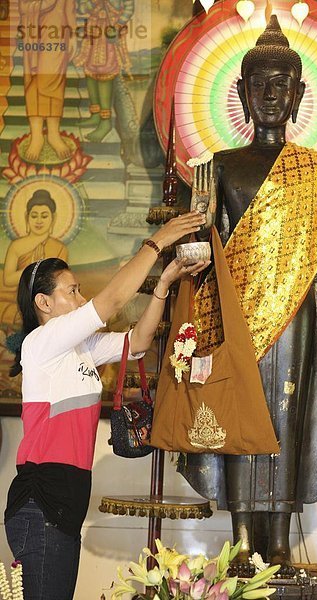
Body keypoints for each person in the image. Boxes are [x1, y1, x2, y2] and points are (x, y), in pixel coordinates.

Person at [178, 15, 317, 571]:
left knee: (287, 414)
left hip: (298, 317)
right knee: (242, 413)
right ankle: (240, 538)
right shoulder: (219, 167)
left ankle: (281, 541)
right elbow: (201, 252)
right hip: (235, 316)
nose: (269, 94)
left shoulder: (315, 175)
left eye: (280, 84)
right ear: (240, 92)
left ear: (298, 94)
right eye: (259, 83)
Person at [4, 210, 208, 600]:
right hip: (41, 501)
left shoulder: (79, 348)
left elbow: (139, 343)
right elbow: (112, 299)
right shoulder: (42, 343)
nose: (81, 298)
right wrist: (158, 241)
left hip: (64, 504)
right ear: (43, 302)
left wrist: (163, 284)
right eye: (73, 291)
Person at [19, 0, 77, 161]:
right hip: (32, 27)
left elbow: (69, 5)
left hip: (57, 27)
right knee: (33, 78)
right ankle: (36, 134)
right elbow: (22, 5)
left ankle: (53, 133)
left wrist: (73, 33)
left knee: (53, 77)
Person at [0, 189, 68, 326]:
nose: (38, 221)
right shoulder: (16, 246)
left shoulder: (59, 248)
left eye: (44, 216)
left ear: (52, 218)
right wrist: (32, 266)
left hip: (48, 302)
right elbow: (8, 280)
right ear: (27, 217)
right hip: (18, 298)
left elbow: (60, 283)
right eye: (34, 215)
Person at [75, 0, 134, 143]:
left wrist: (118, 24)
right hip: (92, 33)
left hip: (110, 34)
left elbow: (129, 7)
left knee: (104, 73)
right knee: (90, 72)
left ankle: (105, 121)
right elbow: (81, 8)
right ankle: (95, 114)